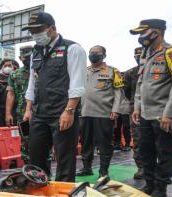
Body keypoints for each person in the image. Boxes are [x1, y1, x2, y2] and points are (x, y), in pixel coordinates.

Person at [23, 12, 86, 181]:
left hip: (62, 111)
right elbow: (32, 82)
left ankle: (64, 196)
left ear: (53, 29)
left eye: (39, 30)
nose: (35, 34)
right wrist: (28, 109)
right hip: (39, 113)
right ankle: (40, 190)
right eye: (32, 31)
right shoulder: (35, 52)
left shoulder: (72, 49)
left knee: (65, 157)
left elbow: (77, 84)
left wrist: (69, 111)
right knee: (36, 157)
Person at [131, 19, 172, 197]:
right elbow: (141, 84)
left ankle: (161, 190)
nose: (141, 37)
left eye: (143, 32)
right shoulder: (146, 54)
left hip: (164, 115)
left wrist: (169, 113)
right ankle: (149, 185)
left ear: (156, 32)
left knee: (164, 152)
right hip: (146, 114)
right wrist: (137, 107)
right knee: (146, 151)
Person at [77, 45, 124, 177]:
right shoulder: (84, 71)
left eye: (96, 52)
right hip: (85, 112)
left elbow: (119, 93)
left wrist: (116, 110)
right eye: (91, 52)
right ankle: (86, 168)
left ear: (104, 55)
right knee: (86, 142)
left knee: (105, 143)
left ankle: (103, 171)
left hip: (104, 113)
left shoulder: (113, 71)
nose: (93, 54)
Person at [6, 46, 33, 162]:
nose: (27, 59)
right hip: (22, 114)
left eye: (30, 57)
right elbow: (11, 94)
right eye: (25, 57)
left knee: (43, 140)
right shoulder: (15, 75)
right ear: (20, 58)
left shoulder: (41, 71)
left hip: (40, 112)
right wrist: (8, 113)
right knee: (26, 140)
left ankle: (44, 169)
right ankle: (28, 167)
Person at [124, 47, 144, 179]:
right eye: (136, 55)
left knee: (155, 140)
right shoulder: (130, 73)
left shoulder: (153, 70)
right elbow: (126, 92)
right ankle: (141, 167)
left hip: (155, 110)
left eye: (140, 54)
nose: (138, 57)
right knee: (137, 139)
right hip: (135, 111)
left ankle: (154, 166)